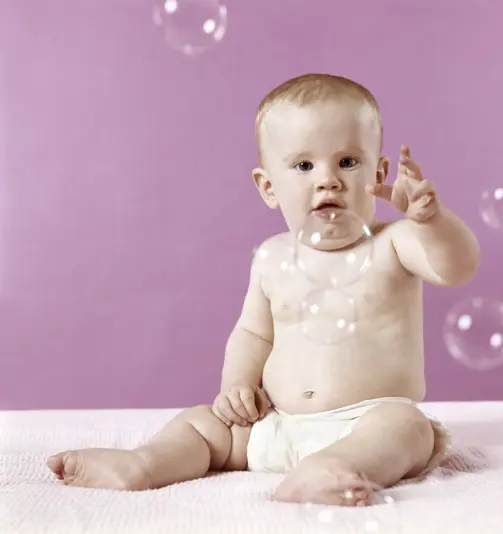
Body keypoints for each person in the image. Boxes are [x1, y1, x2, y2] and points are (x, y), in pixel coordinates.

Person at [47, 73, 480, 506]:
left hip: (362, 424)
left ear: (380, 172)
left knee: (407, 426)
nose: (328, 180)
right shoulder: (272, 258)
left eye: (348, 161)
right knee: (201, 426)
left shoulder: (396, 243)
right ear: (269, 187)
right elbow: (253, 334)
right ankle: (142, 464)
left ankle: (329, 471)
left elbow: (455, 267)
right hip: (274, 423)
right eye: (304, 166)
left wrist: (432, 221)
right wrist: (237, 385)